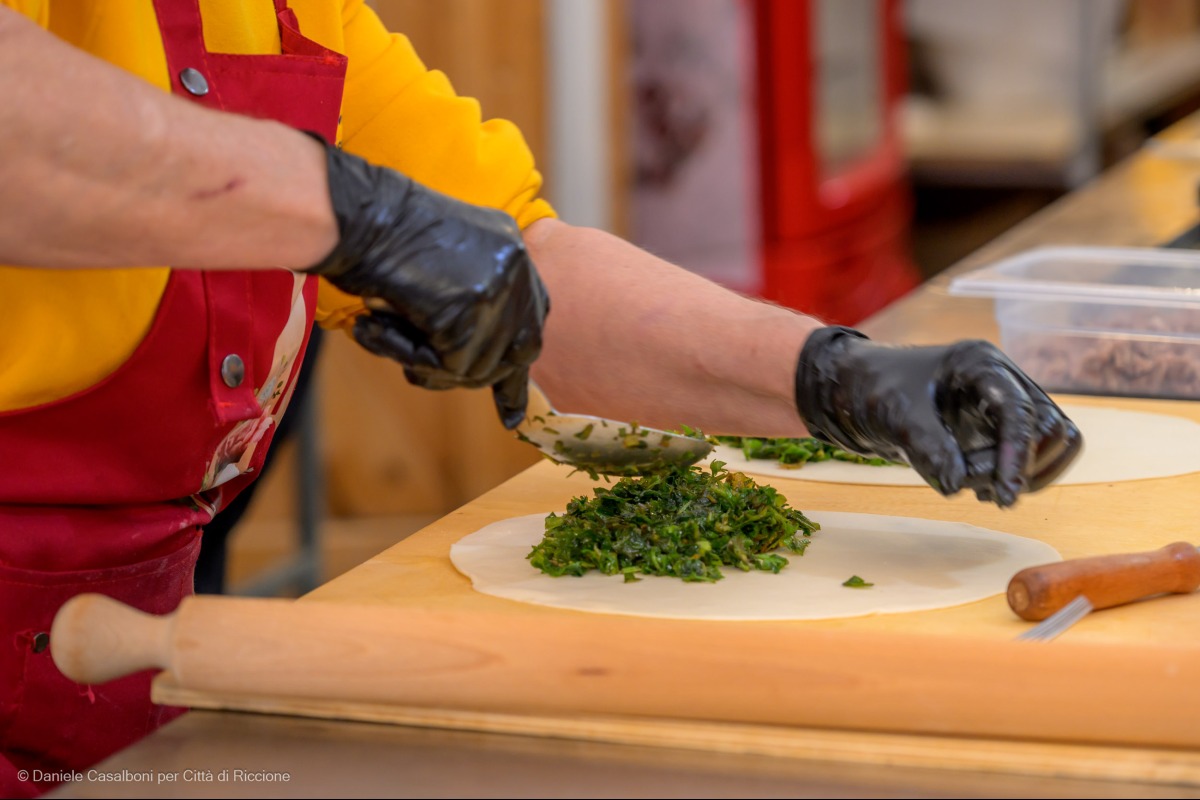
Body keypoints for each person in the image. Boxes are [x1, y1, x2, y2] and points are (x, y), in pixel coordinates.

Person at [0, 1, 1080, 796]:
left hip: (115, 674)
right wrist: (350, 213)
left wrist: (829, 374)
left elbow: (534, 272)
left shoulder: (282, 17)